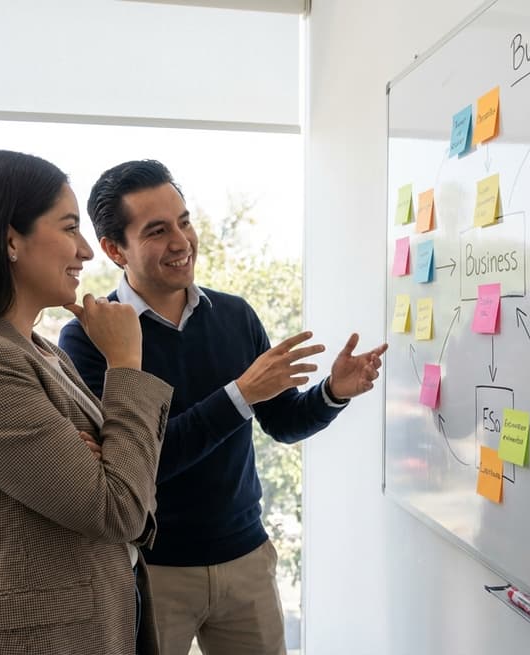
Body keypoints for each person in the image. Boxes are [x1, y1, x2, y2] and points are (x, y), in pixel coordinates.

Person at [59, 159, 386, 655]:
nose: (181, 241)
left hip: (246, 560)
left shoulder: (235, 315)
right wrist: (239, 395)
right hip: (151, 571)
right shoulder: (90, 336)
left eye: (184, 221)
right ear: (113, 249)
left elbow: (282, 423)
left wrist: (332, 393)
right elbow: (132, 465)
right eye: (157, 230)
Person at [0, 150, 173, 655]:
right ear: (10, 240)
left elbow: (125, 480)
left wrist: (108, 460)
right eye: (69, 228)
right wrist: (126, 364)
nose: (86, 251)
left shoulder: (39, 350)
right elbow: (117, 508)